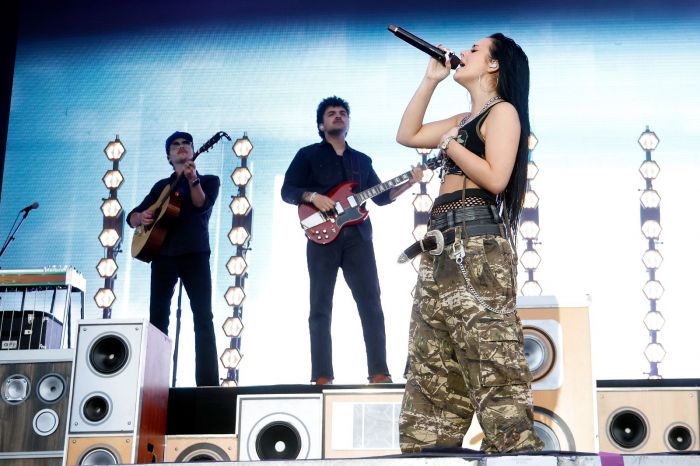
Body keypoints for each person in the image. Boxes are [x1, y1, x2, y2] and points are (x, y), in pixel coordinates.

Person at [395, 34, 544, 453]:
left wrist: (451, 145)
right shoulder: (463, 119)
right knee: (431, 365)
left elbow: (495, 178)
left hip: (476, 246)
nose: (463, 53)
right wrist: (431, 80)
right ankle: (429, 452)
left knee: (492, 360)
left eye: (474, 50)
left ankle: (514, 452)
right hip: (439, 247)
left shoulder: (503, 112)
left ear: (494, 65)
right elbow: (407, 134)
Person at [281, 96, 422, 385]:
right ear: (321, 125)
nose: (338, 116)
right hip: (321, 239)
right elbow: (288, 190)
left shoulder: (362, 160)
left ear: (348, 122)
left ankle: (379, 372)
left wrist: (410, 181)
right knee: (320, 305)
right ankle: (322, 376)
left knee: (371, 303)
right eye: (331, 113)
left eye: (342, 113)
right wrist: (313, 196)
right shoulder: (307, 155)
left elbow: (381, 197)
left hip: (359, 237)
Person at [127, 131, 220, 387]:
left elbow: (201, 205)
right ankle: (154, 384)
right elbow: (132, 217)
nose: (181, 147)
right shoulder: (161, 187)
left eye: (186, 144)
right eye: (175, 145)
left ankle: (208, 385)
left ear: (193, 150)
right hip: (162, 256)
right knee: (158, 321)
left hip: (195, 255)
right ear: (168, 156)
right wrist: (141, 217)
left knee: (203, 317)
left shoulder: (209, 180)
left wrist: (193, 180)